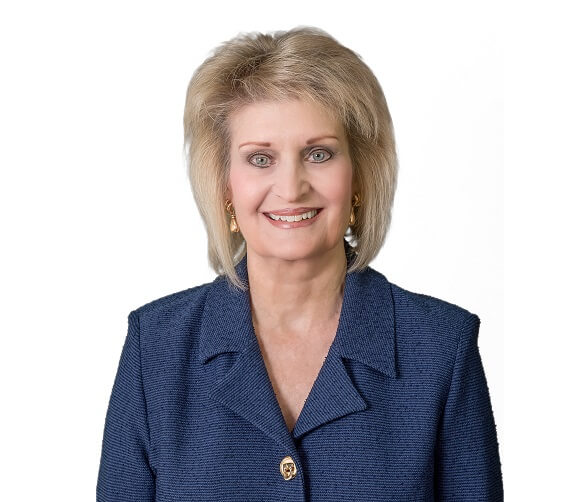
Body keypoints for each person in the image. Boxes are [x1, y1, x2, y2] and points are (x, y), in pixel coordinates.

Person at [96, 26, 503, 501]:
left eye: (318, 154)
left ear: (359, 177)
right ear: (225, 186)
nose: (291, 188)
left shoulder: (441, 348)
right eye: (260, 159)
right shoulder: (155, 348)